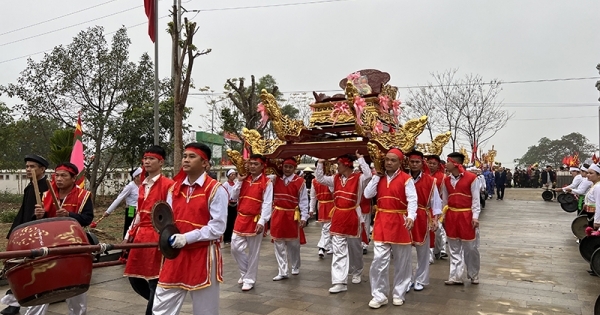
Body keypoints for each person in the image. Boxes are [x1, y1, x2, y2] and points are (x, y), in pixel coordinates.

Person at [152, 143, 227, 315]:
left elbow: (217, 228)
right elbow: (169, 222)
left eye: (192, 156)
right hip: (176, 254)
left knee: (205, 310)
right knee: (161, 307)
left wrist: (187, 238)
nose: (186, 160)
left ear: (205, 163)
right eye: (184, 156)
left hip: (203, 255)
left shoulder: (215, 189)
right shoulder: (175, 189)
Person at [25, 162, 94, 315]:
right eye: (57, 175)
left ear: (73, 178)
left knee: (74, 286)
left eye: (64, 176)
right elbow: (36, 221)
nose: (59, 179)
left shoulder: (83, 196)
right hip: (48, 245)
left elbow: (87, 218)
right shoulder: (47, 195)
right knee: (42, 285)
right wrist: (38, 215)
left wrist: (69, 215)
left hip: (73, 245)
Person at [363, 148, 417, 308]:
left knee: (402, 261)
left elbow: (412, 200)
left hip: (400, 221)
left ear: (400, 163)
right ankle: (379, 295)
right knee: (379, 260)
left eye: (393, 160)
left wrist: (411, 216)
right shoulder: (378, 178)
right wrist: (375, 178)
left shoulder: (407, 179)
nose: (389, 162)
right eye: (387, 159)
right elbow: (367, 195)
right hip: (382, 221)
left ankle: (399, 292)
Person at [124, 146, 173, 315]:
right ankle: (161, 304)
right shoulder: (142, 185)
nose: (147, 162)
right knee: (134, 277)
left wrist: (167, 238)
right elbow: (139, 212)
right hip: (140, 235)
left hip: (157, 235)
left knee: (154, 280)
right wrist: (128, 234)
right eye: (145, 159)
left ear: (161, 162)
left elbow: (171, 214)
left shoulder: (169, 185)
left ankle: (154, 310)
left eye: (152, 159)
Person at [315, 151, 371, 294]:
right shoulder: (335, 178)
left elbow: (369, 175)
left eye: (339, 164)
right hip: (339, 216)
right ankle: (339, 281)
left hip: (353, 216)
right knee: (339, 250)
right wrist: (321, 161)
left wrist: (360, 158)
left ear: (346, 164)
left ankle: (357, 271)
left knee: (355, 248)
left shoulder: (359, 178)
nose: (337, 167)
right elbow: (320, 178)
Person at [1, 155, 49, 315]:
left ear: (42, 169)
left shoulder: (47, 188)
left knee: (27, 270)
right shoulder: (30, 187)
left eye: (33, 166)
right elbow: (24, 212)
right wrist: (14, 232)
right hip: (23, 234)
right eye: (27, 166)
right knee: (18, 268)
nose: (28, 169)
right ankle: (14, 302)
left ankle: (15, 303)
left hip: (36, 236)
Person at [228, 154, 273, 291]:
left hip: (255, 219)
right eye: (251, 163)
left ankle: (249, 279)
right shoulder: (243, 179)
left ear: (262, 166)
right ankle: (245, 272)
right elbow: (233, 197)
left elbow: (267, 203)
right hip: (241, 217)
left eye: (255, 164)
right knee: (234, 247)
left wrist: (262, 220)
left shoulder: (267, 182)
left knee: (254, 251)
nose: (252, 166)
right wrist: (239, 181)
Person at [405, 151, 442, 293]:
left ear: (422, 163)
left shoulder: (429, 180)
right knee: (404, 251)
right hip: (405, 217)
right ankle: (406, 279)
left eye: (417, 162)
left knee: (423, 251)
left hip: (422, 216)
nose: (414, 164)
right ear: (408, 162)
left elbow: (436, 201)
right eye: (412, 161)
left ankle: (420, 279)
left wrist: (435, 219)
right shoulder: (403, 178)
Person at [442, 152, 481, 285]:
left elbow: (476, 199)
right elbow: (444, 200)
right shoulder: (446, 180)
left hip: (467, 215)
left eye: (448, 161)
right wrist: (442, 217)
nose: (446, 164)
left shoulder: (472, 178)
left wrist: (475, 217)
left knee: (470, 247)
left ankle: (473, 273)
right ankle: (455, 276)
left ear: (456, 163)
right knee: (454, 247)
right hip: (452, 215)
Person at [269, 157, 309, 280]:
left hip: (292, 215)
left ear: (295, 168)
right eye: (285, 166)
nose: (287, 169)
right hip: (278, 213)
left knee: (294, 244)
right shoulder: (275, 179)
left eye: (290, 167)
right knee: (278, 242)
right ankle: (282, 270)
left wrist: (304, 216)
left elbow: (303, 200)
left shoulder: (300, 181)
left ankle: (295, 266)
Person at [103, 167, 142, 238]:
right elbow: (119, 198)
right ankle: (126, 246)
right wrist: (108, 211)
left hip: (140, 211)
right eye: (140, 175)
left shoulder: (143, 186)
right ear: (135, 177)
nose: (143, 176)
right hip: (131, 209)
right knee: (129, 227)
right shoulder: (130, 186)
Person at [311, 161, 334, 258]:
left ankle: (322, 246)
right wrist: (311, 208)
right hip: (321, 205)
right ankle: (329, 245)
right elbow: (313, 196)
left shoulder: (330, 179)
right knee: (325, 227)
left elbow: (333, 190)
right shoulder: (314, 181)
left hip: (331, 204)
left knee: (327, 227)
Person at [426, 155, 447, 261]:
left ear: (438, 165)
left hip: (436, 206)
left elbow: (443, 194)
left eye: (434, 164)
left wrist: (442, 209)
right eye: (429, 163)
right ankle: (429, 253)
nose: (431, 166)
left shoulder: (443, 177)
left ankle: (438, 250)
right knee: (427, 230)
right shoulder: (423, 175)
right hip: (424, 207)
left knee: (437, 230)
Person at [223, 169, 238, 244]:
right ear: (228, 176)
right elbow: (224, 194)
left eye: (234, 174)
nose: (233, 176)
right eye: (232, 174)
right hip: (228, 205)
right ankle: (226, 238)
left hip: (234, 204)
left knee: (233, 221)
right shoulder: (226, 184)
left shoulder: (235, 184)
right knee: (228, 221)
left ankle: (231, 237)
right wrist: (227, 201)